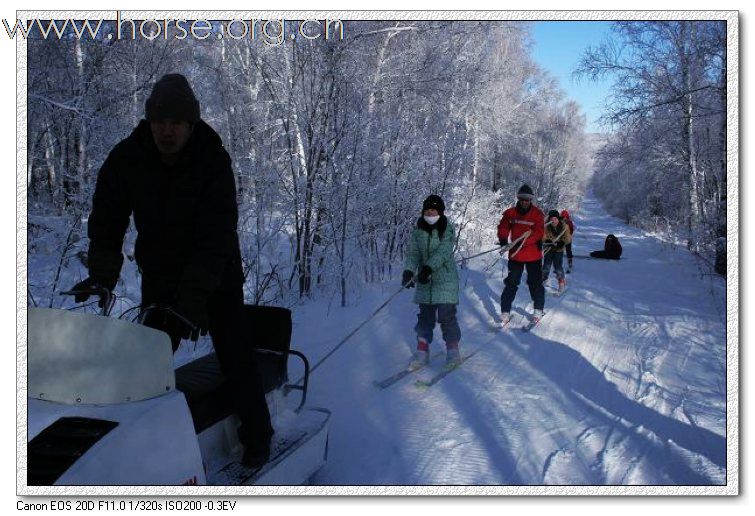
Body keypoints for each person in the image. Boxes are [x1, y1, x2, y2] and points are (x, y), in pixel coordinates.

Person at [70, 73, 273, 469]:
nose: (167, 130)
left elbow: (216, 238)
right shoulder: (127, 158)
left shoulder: (212, 159)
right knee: (146, 363)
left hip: (217, 275)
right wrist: (102, 277)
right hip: (161, 275)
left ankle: (258, 438)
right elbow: (107, 221)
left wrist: (192, 302)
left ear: (191, 124)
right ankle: (140, 455)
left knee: (235, 354)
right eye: (160, 121)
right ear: (148, 121)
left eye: (177, 122)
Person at [402, 194, 462, 369]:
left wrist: (428, 268)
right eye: (427, 210)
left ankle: (452, 352)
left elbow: (443, 253)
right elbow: (413, 254)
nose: (430, 213)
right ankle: (422, 352)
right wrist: (408, 271)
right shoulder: (418, 232)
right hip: (425, 282)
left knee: (446, 317)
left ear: (440, 212)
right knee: (425, 318)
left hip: (445, 280)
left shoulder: (447, 229)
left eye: (433, 210)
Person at [496, 184, 545, 326]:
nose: (525, 202)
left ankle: (538, 309)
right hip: (516, 256)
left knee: (534, 283)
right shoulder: (510, 213)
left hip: (533, 255)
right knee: (511, 283)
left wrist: (522, 242)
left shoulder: (537, 214)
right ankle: (505, 311)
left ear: (531, 200)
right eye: (522, 199)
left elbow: (538, 233)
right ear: (518, 198)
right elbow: (503, 227)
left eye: (527, 200)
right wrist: (503, 240)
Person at [542, 210, 572, 292]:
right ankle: (543, 280)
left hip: (558, 250)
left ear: (558, 218)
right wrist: (546, 240)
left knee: (558, 266)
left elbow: (568, 238)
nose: (553, 221)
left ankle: (561, 282)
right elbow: (543, 236)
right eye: (551, 219)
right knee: (546, 266)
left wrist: (563, 242)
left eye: (555, 218)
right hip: (549, 249)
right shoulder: (546, 226)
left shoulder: (564, 226)